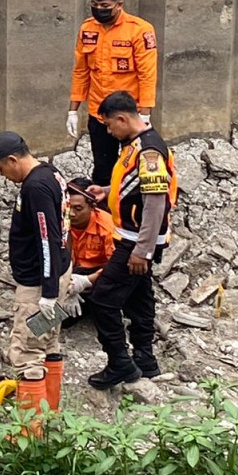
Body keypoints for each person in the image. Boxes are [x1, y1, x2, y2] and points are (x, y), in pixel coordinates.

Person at [84, 91, 177, 389]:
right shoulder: (133, 145)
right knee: (139, 299)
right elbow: (132, 185)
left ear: (123, 118)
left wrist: (143, 250)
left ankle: (120, 364)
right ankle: (146, 361)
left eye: (111, 126)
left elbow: (154, 202)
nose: (109, 132)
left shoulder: (149, 152)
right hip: (134, 237)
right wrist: (106, 191)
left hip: (136, 241)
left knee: (103, 300)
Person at [0, 131, 74, 413]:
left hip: (39, 287)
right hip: (57, 276)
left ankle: (31, 435)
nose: (2, 175)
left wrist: (46, 294)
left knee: (27, 352)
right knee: (49, 341)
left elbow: (47, 239)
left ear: (13, 159)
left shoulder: (35, 187)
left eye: (1, 168)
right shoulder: (51, 173)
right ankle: (51, 417)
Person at [67, 0, 158, 187]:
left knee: (133, 168)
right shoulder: (87, 29)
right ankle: (104, 215)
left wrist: (144, 115)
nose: (99, 9)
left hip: (129, 115)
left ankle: (130, 213)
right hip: (100, 116)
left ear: (119, 5)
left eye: (105, 6)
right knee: (102, 169)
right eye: (94, 5)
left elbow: (147, 75)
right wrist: (73, 110)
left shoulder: (139, 30)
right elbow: (81, 71)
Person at [60, 177, 116, 329]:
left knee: (101, 303)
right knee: (55, 318)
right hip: (71, 272)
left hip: (100, 277)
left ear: (92, 207)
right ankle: (30, 335)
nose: (71, 214)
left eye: (78, 209)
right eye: (68, 207)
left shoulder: (107, 227)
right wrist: (67, 284)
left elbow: (117, 268)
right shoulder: (60, 222)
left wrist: (85, 281)